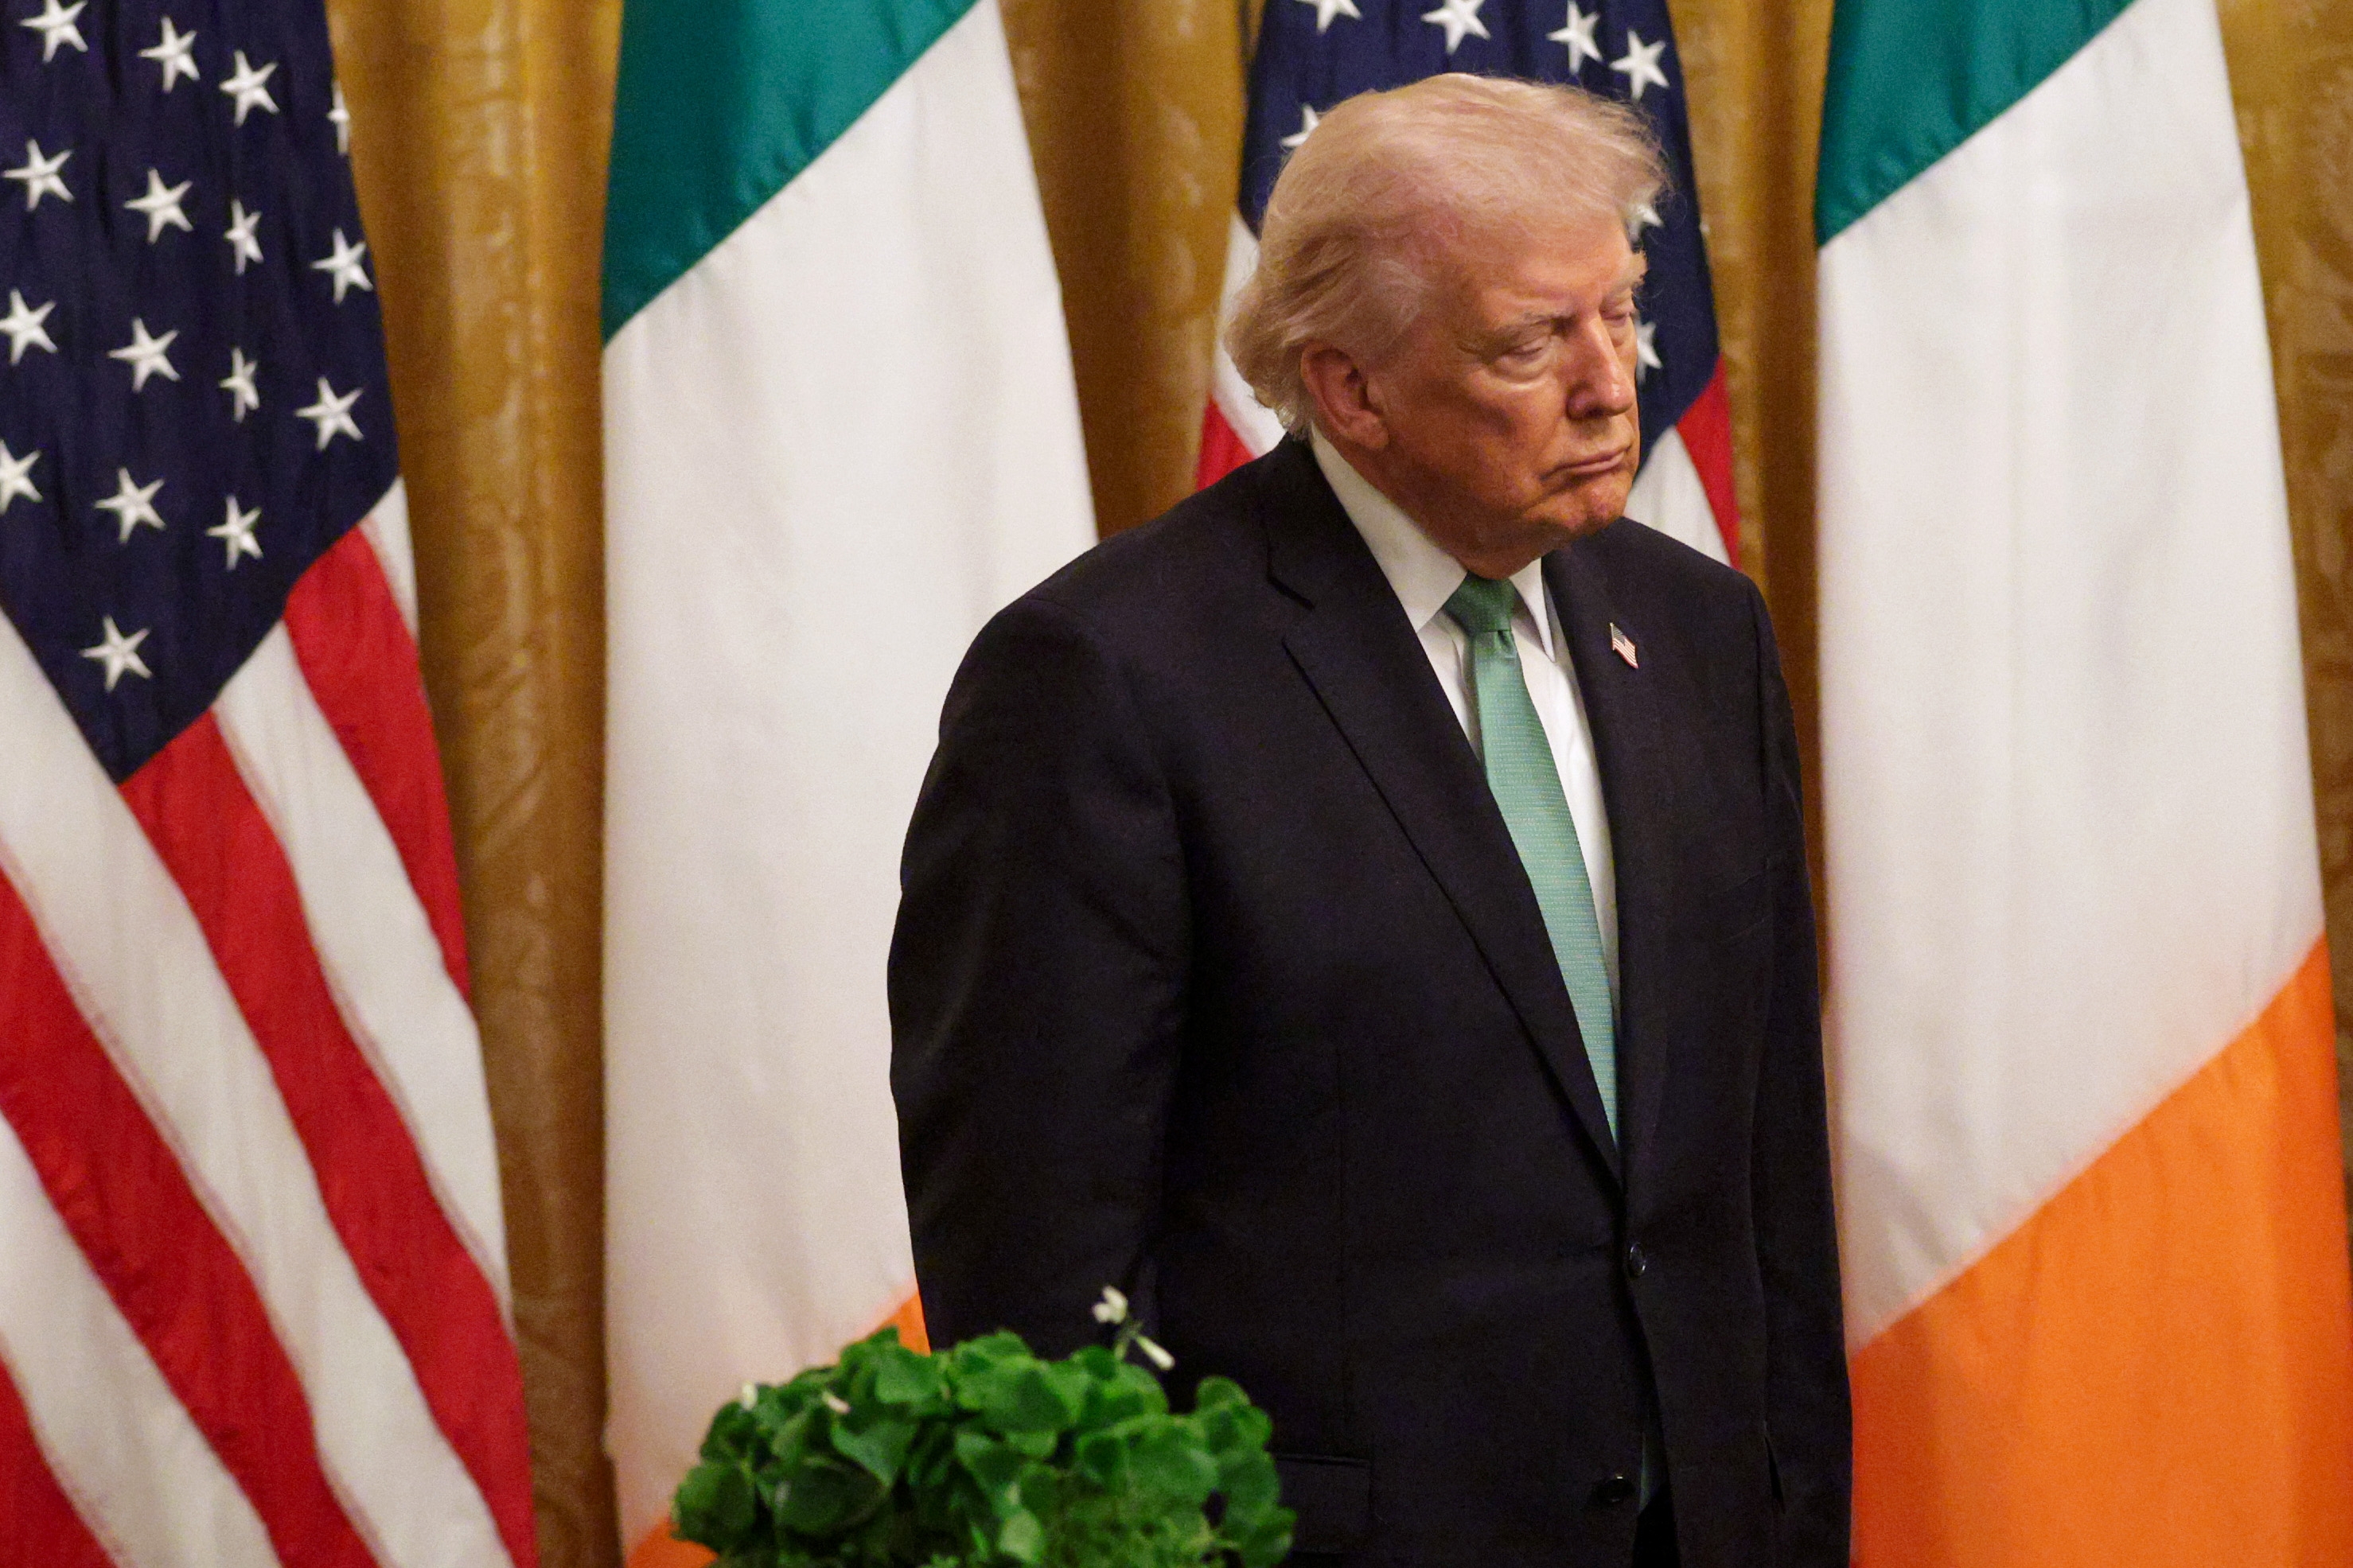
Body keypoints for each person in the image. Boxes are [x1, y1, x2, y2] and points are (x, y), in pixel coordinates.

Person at [888, 74, 1849, 1568]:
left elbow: (1764, 1173)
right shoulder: (1105, 680)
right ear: (1348, 387)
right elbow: (1032, 1259)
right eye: (1533, 341)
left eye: (1620, 307)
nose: (1612, 382)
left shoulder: (1703, 633)